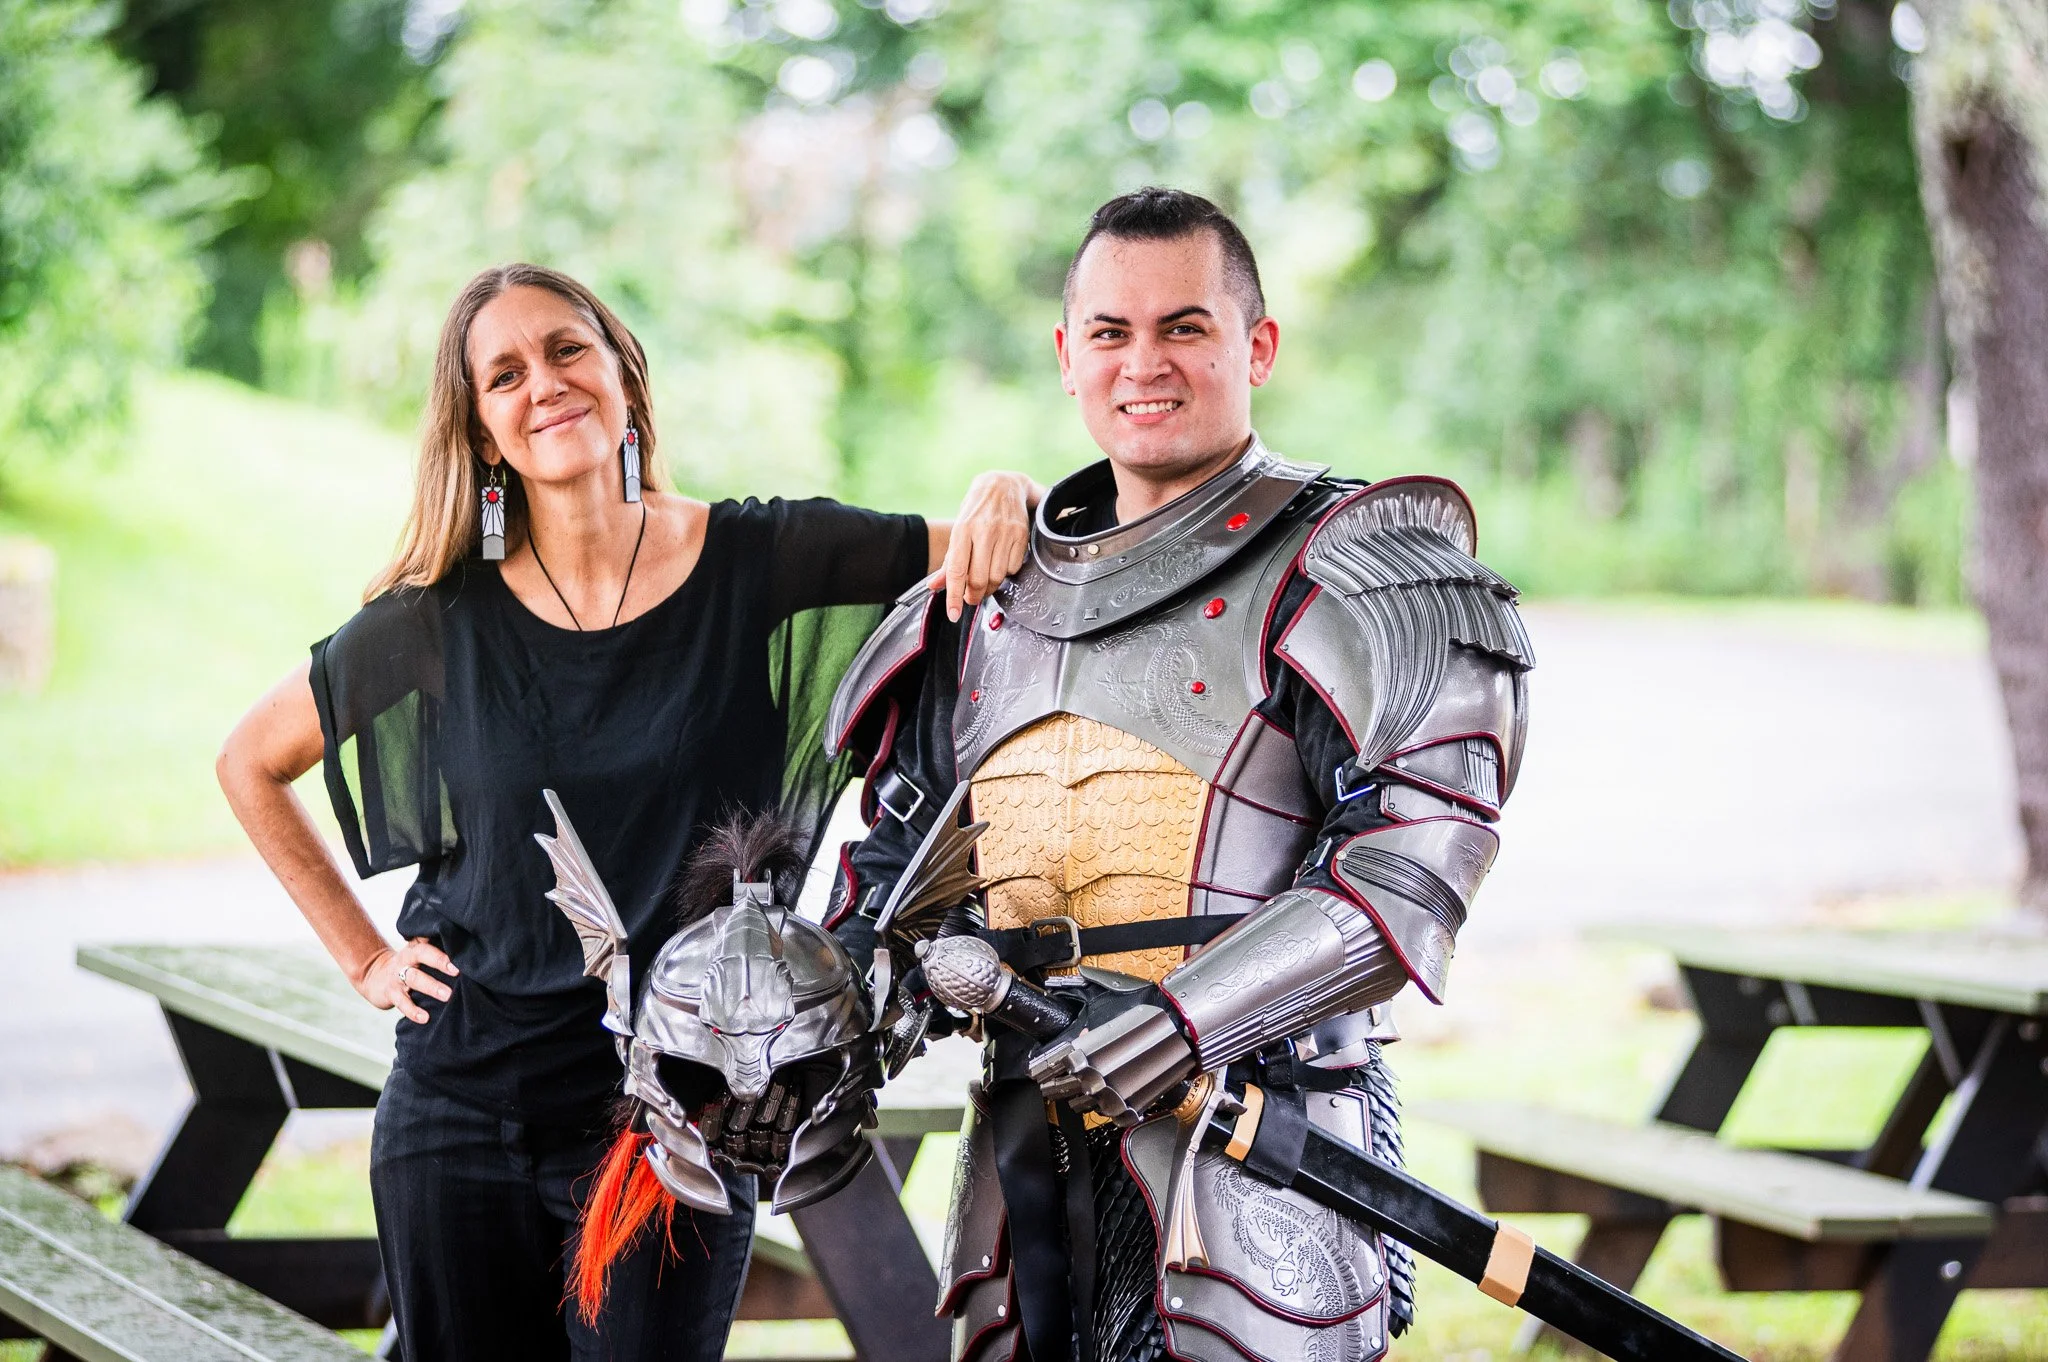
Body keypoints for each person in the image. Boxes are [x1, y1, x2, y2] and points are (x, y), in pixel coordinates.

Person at [214, 262, 1039, 1362]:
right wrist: (365, 957)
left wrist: (1008, 489)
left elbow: (1002, 552)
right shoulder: (438, 619)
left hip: (683, 1118)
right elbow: (249, 762)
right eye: (503, 374)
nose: (543, 383)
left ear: (621, 377)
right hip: (460, 1109)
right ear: (484, 433)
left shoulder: (762, 559)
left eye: (565, 350)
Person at [823, 188, 1534, 1362]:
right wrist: (833, 1005)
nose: (1141, 363)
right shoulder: (994, 590)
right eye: (1110, 332)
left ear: (1255, 345)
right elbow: (904, 851)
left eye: (1183, 328)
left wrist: (1183, 1022)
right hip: (1024, 1162)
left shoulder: (1356, 567)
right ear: (1067, 357)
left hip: (1253, 1147)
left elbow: (1405, 869)